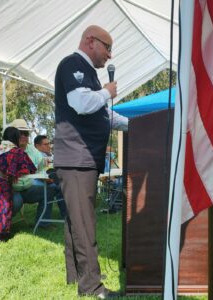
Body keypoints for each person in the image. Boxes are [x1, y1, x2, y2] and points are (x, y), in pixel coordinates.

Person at [54, 25, 128, 298]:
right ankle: (92, 286)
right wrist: (108, 91)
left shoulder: (90, 76)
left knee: (77, 221)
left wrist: (137, 125)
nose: (109, 55)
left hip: (81, 158)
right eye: (107, 47)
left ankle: (78, 274)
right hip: (76, 158)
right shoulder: (72, 64)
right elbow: (81, 103)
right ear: (90, 41)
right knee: (85, 223)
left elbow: (103, 115)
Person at [0, 127, 36, 243]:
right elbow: (31, 168)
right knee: (4, 207)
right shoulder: (17, 152)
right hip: (3, 184)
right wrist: (16, 174)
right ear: (16, 137)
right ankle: (2, 235)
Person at [9, 119, 56, 228]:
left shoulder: (31, 149)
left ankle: (43, 223)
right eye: (20, 133)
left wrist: (45, 176)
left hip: (27, 187)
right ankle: (0, 226)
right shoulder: (6, 149)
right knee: (16, 201)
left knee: (51, 188)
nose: (24, 136)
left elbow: (41, 167)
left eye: (26, 133)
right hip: (11, 189)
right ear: (13, 134)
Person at [34, 135, 66, 218]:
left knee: (64, 186)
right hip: (39, 181)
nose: (49, 146)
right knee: (60, 188)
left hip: (52, 179)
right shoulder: (35, 156)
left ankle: (67, 214)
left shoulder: (50, 155)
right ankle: (66, 214)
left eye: (49, 144)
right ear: (37, 146)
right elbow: (36, 173)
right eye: (46, 144)